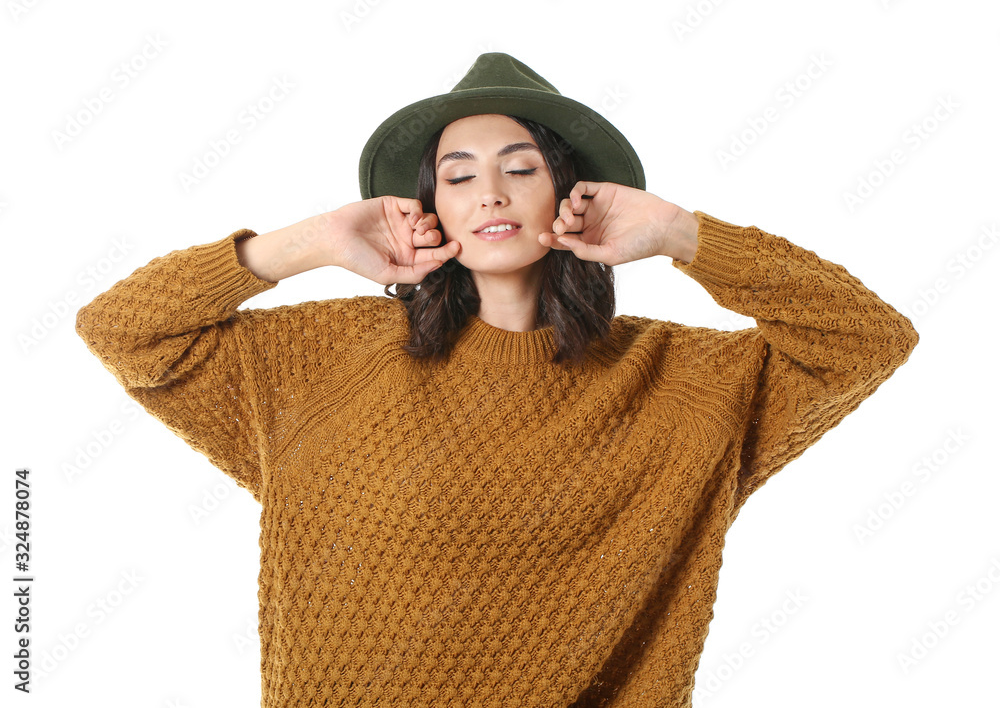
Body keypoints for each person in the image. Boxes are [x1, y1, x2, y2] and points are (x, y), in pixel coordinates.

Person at [75, 52, 919, 707]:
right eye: (457, 173)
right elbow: (122, 329)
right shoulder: (322, 361)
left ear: (570, 190)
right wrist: (311, 241)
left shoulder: (682, 384)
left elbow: (864, 339)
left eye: (520, 167)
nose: (488, 191)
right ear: (429, 204)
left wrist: (681, 233)